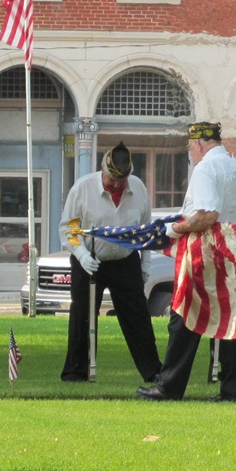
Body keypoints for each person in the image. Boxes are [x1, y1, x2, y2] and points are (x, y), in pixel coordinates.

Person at [138, 122, 236, 402]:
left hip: (208, 246)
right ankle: (232, 390)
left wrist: (173, 229)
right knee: (230, 316)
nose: (190, 152)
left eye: (190, 146)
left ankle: (169, 386)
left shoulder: (205, 168)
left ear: (199, 144)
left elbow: (206, 216)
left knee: (183, 312)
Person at [58, 142, 162, 385]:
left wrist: (146, 265)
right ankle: (75, 373)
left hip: (125, 260)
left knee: (138, 318)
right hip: (89, 259)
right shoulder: (82, 188)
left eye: (121, 181)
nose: (116, 185)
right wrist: (81, 255)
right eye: (112, 180)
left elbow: (146, 230)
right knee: (83, 317)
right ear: (102, 171)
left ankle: (153, 371)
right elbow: (68, 229)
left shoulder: (138, 188)